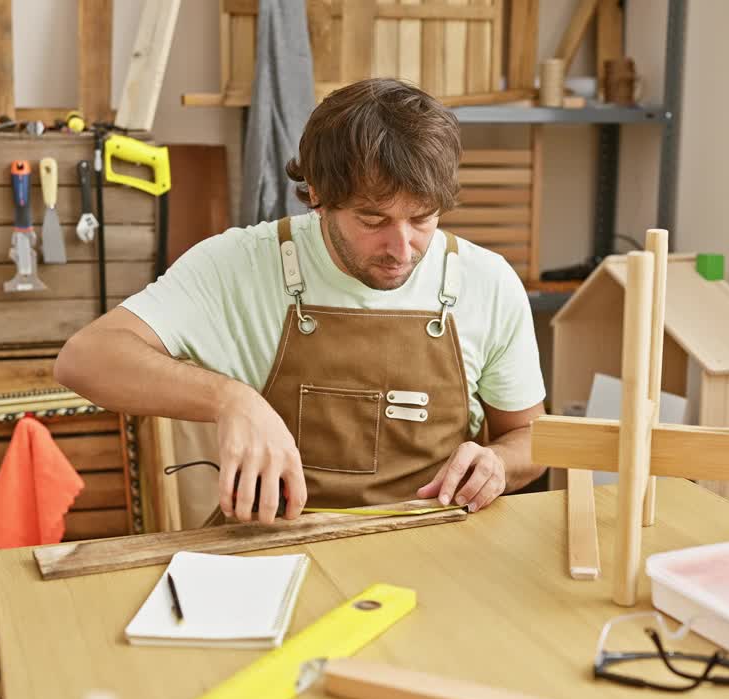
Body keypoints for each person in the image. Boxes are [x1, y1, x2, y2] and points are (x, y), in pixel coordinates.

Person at [55, 78, 547, 525]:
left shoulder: (487, 281)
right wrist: (230, 399)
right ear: (316, 194)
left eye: (422, 218)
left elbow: (532, 439)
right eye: (373, 220)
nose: (402, 250)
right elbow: (85, 359)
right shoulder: (240, 264)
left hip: (431, 542)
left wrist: (499, 462)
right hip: (276, 546)